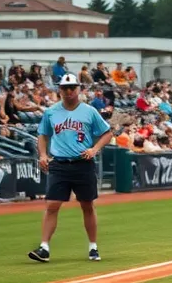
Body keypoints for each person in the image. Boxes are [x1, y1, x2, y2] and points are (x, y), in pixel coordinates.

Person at [28, 74, 113, 263]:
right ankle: (44, 247)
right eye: (65, 88)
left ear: (79, 89)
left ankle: (93, 246)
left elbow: (107, 133)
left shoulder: (89, 111)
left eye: (72, 87)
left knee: (87, 205)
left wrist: (94, 149)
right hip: (59, 163)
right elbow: (43, 135)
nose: (68, 91)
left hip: (83, 162)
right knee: (52, 205)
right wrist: (42, 155)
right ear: (59, 90)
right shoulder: (51, 112)